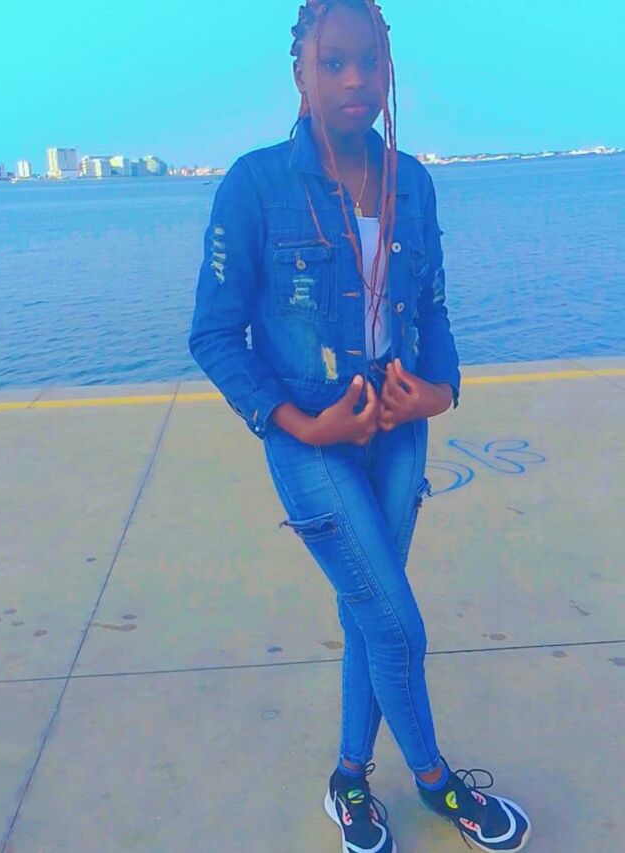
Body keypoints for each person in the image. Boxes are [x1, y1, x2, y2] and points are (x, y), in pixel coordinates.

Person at [188, 1, 532, 850]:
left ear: (388, 70)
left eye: (369, 61)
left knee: (368, 610)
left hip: (400, 430)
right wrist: (298, 424)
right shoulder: (255, 184)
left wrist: (439, 393)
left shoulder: (413, 180)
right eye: (334, 61)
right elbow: (213, 335)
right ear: (300, 73)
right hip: (313, 435)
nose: (354, 79)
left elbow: (435, 307)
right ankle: (436, 781)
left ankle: (348, 778)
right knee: (397, 622)